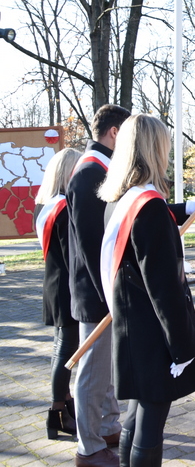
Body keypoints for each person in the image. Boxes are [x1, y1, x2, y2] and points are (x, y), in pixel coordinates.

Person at [98, 114, 195, 466]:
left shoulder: (122, 199)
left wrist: (183, 209)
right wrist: (183, 348)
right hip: (153, 332)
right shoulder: (148, 208)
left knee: (136, 415)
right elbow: (165, 290)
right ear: (153, 150)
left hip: (130, 326)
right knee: (150, 421)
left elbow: (147, 224)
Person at [68, 104, 130, 467]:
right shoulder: (91, 172)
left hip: (100, 288)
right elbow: (93, 244)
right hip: (96, 291)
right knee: (92, 372)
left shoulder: (97, 168)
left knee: (103, 367)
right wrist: (110, 295)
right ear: (114, 133)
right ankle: (88, 447)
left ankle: (107, 426)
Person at [34, 148, 82, 440]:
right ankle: (57, 411)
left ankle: (62, 406)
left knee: (60, 349)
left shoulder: (44, 205)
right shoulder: (63, 207)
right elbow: (71, 255)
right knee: (66, 352)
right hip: (66, 288)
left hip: (53, 284)